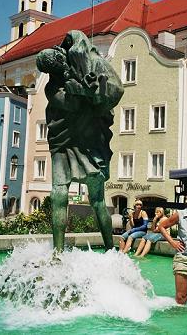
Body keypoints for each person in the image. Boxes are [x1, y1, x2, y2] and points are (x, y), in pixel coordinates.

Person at [36, 30, 124, 252]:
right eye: (54, 70)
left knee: (97, 202)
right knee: (59, 195)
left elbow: (116, 89)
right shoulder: (51, 88)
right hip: (63, 143)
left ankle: (111, 250)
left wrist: (96, 91)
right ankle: (57, 253)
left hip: (89, 141)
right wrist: (82, 89)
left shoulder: (90, 62)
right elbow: (72, 106)